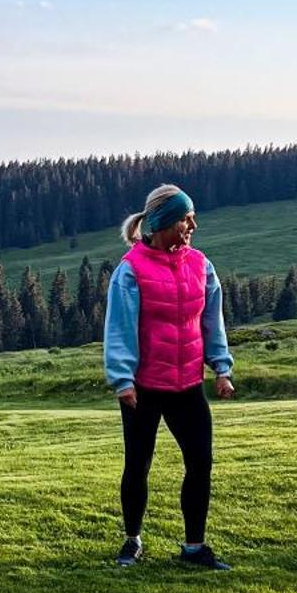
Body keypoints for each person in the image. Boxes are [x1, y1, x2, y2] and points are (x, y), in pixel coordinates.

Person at [103, 184, 235, 570]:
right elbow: (120, 329)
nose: (192, 224)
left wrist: (221, 368)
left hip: (188, 386)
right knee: (138, 463)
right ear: (162, 223)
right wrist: (122, 379)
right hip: (144, 388)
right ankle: (132, 540)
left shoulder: (201, 265)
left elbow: (212, 322)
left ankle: (195, 547)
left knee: (200, 462)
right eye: (184, 218)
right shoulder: (130, 270)